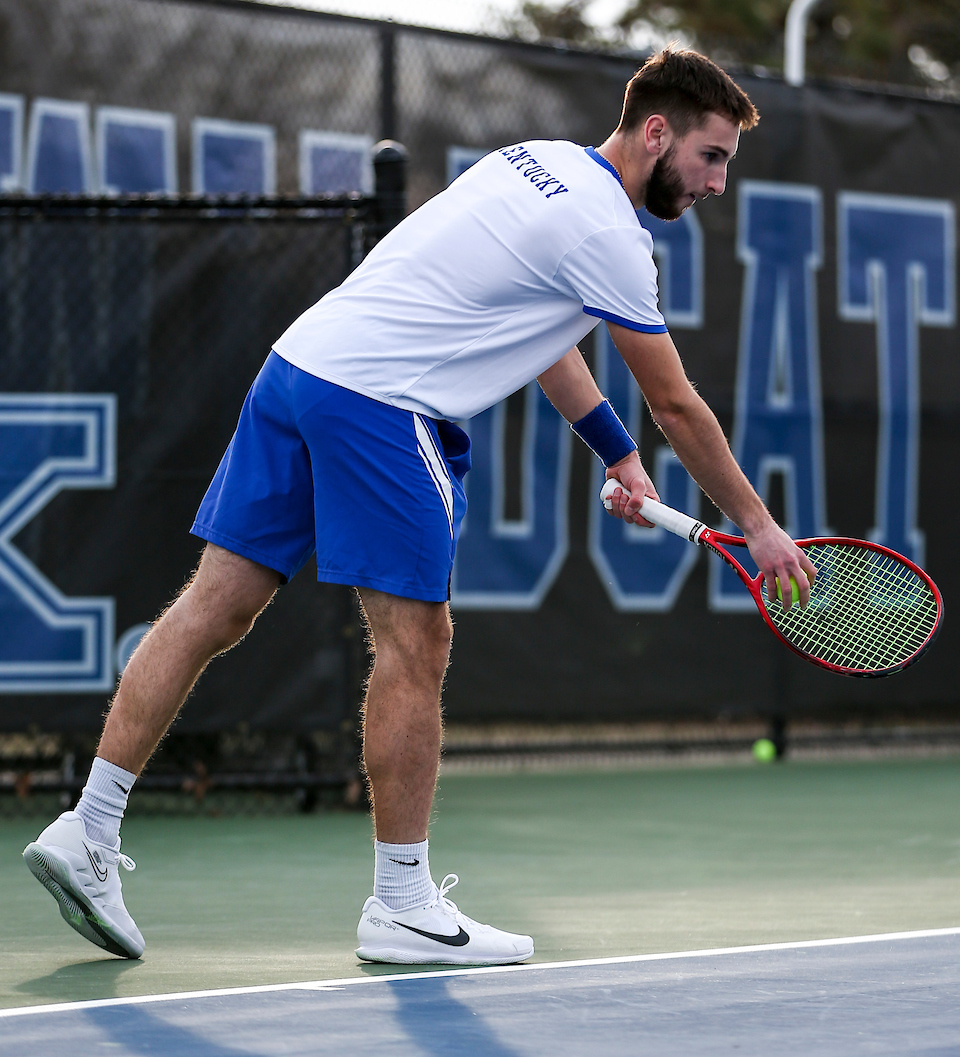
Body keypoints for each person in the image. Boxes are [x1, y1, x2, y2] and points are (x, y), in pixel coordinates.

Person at [23, 47, 815, 967]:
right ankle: (401, 903)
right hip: (381, 405)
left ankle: (87, 827)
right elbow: (677, 401)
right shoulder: (611, 235)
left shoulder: (538, 161)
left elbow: (546, 340)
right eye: (712, 156)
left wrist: (617, 451)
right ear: (655, 132)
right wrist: (758, 525)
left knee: (213, 607)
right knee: (418, 642)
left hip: (300, 369)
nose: (717, 182)